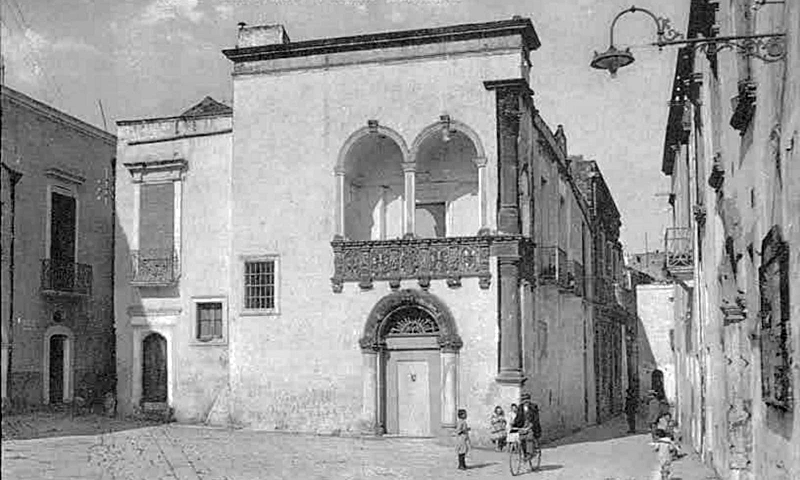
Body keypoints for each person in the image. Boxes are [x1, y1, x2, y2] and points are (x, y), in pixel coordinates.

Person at [510, 393, 541, 459]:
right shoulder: (520, 407)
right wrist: (514, 423)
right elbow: (518, 417)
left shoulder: (533, 406)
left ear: (529, 400)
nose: (526, 401)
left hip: (531, 424)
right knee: (521, 439)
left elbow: (536, 418)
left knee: (529, 437)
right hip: (523, 425)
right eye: (524, 400)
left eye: (527, 400)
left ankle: (530, 453)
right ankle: (525, 454)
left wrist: (531, 426)